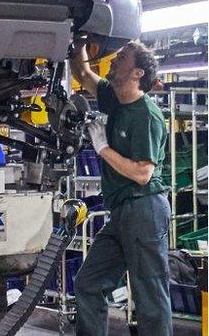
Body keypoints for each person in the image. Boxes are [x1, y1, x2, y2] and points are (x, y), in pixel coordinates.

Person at [69, 39, 171, 336]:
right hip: (121, 211)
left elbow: (142, 173)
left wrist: (101, 148)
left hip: (145, 208)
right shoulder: (112, 97)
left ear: (137, 73)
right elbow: (84, 74)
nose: (114, 60)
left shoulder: (146, 115)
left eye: (122, 57)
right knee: (88, 284)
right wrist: (80, 44)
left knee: (149, 294)